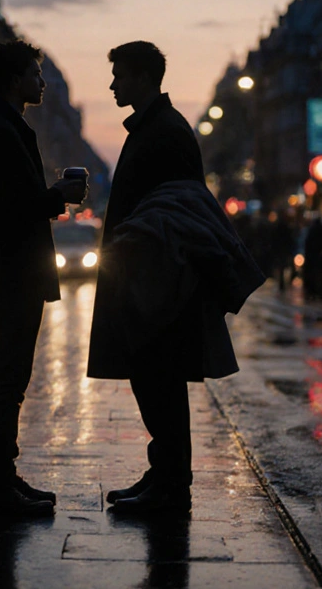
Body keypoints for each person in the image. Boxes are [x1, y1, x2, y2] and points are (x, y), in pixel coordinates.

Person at [87, 41, 255, 514]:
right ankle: (164, 474)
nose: (113, 84)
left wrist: (129, 246)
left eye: (119, 75)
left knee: (158, 376)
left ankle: (170, 484)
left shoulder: (164, 131)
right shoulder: (155, 127)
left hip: (159, 279)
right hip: (148, 274)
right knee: (153, 378)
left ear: (143, 77)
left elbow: (178, 206)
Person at [0, 40, 86, 515]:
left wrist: (51, 196)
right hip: (12, 271)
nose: (42, 82)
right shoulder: (0, 132)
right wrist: (57, 194)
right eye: (36, 74)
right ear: (16, 81)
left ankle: (3, 478)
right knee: (2, 379)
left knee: (10, 379)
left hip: (16, 271)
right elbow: (7, 210)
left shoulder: (10, 127)